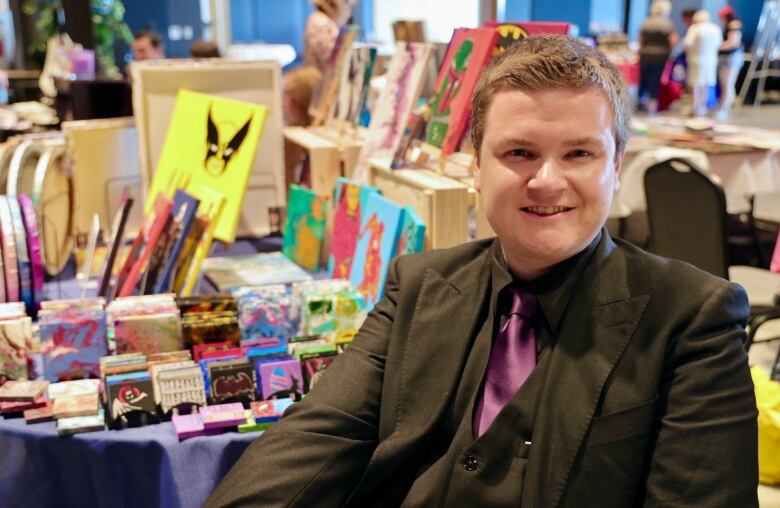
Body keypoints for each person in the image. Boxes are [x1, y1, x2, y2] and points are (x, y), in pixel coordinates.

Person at [207, 36, 758, 507]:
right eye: (519, 152)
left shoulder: (691, 317)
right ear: (475, 166)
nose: (546, 180)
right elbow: (315, 437)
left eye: (578, 155)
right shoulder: (418, 284)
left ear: (616, 166)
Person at [637, 0, 678, 113]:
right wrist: (671, 52)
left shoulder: (646, 22)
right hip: (660, 56)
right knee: (655, 81)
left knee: (643, 80)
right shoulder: (667, 24)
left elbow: (640, 39)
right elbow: (673, 40)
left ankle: (641, 104)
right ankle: (652, 108)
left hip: (645, 55)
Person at [684, 10, 722, 117]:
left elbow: (687, 44)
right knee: (706, 86)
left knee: (696, 86)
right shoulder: (716, 29)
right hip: (711, 61)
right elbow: (719, 45)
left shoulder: (694, 28)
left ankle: (695, 108)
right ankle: (702, 107)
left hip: (696, 61)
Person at [303, 0, 355, 72]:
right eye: (348, 5)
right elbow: (333, 62)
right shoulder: (324, 24)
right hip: (322, 79)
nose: (349, 13)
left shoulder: (318, 19)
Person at [717, 5, 744, 119]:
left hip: (730, 58)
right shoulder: (734, 25)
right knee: (728, 84)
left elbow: (733, 43)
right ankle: (725, 107)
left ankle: (724, 108)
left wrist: (717, 47)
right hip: (731, 58)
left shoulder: (733, 25)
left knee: (727, 84)